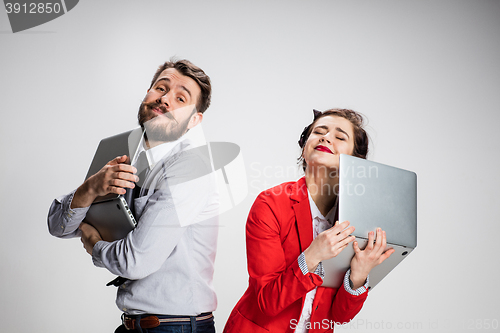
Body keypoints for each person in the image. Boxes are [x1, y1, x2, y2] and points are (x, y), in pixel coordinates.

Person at [48, 59, 219, 333]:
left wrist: (94, 244)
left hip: (175, 327)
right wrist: (89, 189)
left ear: (194, 120)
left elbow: (136, 261)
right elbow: (57, 226)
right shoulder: (121, 150)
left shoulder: (190, 167)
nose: (165, 99)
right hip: (133, 325)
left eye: (180, 98)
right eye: (160, 88)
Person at [223, 109, 395, 333]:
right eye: (318, 132)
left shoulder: (357, 220)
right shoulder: (270, 204)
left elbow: (340, 316)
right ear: (304, 148)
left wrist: (359, 275)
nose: (325, 137)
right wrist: (313, 255)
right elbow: (267, 302)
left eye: (340, 137)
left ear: (356, 162)